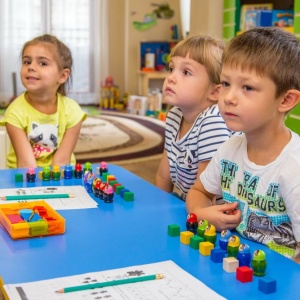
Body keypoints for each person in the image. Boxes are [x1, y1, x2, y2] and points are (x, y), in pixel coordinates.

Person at [186, 27, 300, 261]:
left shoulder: (294, 169)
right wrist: (201, 212)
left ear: (286, 100)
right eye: (226, 84)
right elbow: (198, 191)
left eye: (247, 87)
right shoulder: (230, 148)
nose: (228, 97)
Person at [155, 34, 239, 201]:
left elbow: (207, 194)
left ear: (215, 92)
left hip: (218, 212)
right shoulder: (174, 116)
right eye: (172, 68)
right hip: (192, 201)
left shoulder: (212, 122)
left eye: (186, 72)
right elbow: (163, 177)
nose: (171, 77)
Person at [0, 34, 87, 169]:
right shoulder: (15, 111)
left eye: (42, 63)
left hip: (60, 174)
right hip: (25, 176)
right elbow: (26, 164)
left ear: (62, 76)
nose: (31, 67)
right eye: (27, 62)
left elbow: (63, 160)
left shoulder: (73, 111)